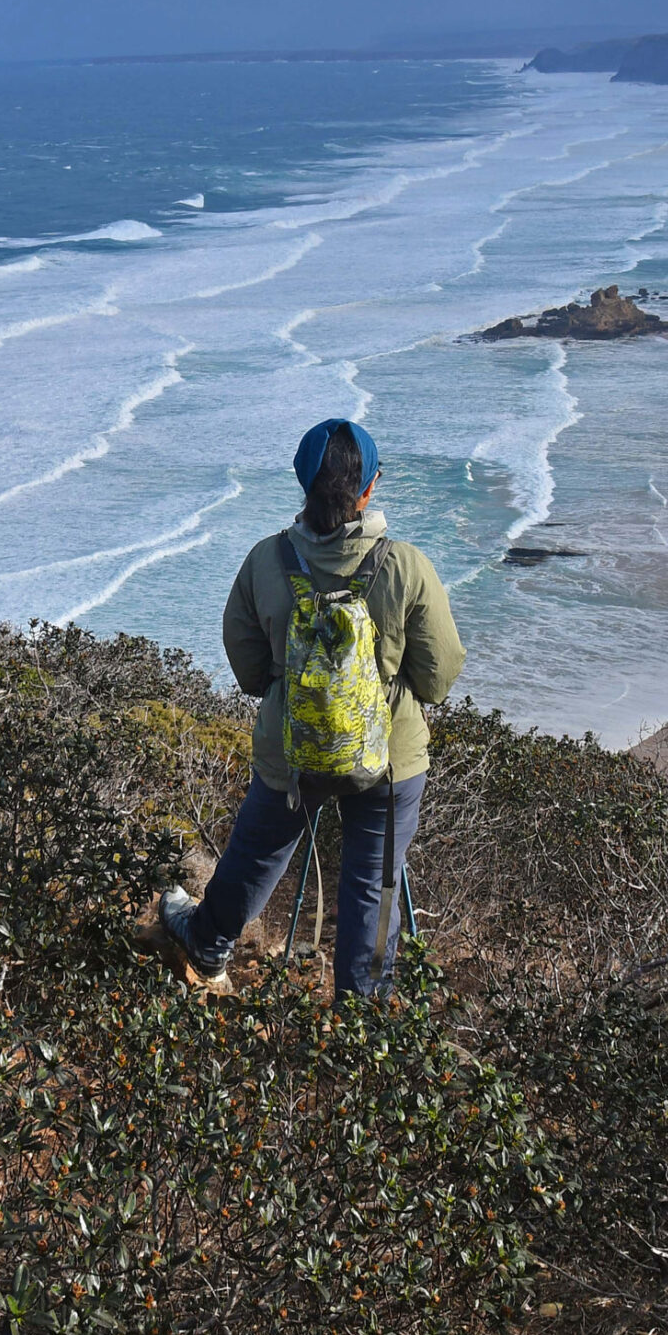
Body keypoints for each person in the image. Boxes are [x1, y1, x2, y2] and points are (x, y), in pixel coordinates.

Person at [146, 417, 464, 998]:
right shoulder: (405, 566)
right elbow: (440, 676)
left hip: (290, 750)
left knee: (257, 853)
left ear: (303, 484)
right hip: (389, 760)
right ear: (369, 487)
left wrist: (299, 690)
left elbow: (245, 665)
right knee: (371, 880)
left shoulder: (266, 562)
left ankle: (207, 944)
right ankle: (360, 1017)